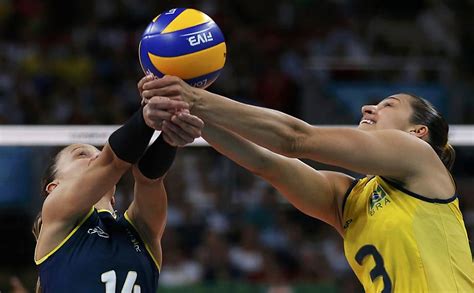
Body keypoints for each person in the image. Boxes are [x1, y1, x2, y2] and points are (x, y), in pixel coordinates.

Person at [144, 76, 473, 292]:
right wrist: (192, 119)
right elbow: (266, 163)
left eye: (388, 105)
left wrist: (197, 99)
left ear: (418, 132)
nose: (368, 107)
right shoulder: (350, 197)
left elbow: (295, 138)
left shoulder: (418, 157)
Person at [32, 75, 204, 293]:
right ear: (53, 188)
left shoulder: (140, 231)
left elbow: (150, 178)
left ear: (113, 195)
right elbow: (112, 162)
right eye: (81, 154)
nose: (95, 158)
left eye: (98, 153)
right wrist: (146, 117)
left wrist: (172, 131)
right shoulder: (57, 215)